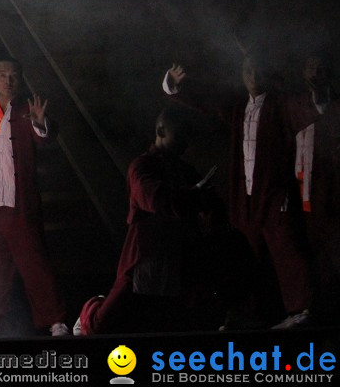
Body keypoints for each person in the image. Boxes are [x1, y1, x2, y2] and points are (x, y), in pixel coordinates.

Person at [164, 55, 314, 329]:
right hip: (245, 196)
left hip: (273, 192)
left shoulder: (278, 103)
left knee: (285, 248)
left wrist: (316, 87)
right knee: (244, 254)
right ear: (242, 76)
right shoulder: (238, 105)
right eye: (248, 70)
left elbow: (305, 108)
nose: (254, 75)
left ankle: (300, 309)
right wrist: (177, 86)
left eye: (258, 69)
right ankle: (247, 313)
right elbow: (207, 100)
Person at [76, 108, 222, 335]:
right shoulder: (142, 166)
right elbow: (153, 198)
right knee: (100, 325)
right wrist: (192, 196)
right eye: (179, 134)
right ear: (161, 130)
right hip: (145, 257)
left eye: (187, 135)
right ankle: (92, 307)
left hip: (174, 258)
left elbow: (210, 204)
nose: (184, 141)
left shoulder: (184, 169)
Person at [0, 58, 69, 339]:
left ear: (20, 80)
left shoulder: (27, 111)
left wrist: (42, 124)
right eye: (2, 76)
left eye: (13, 76)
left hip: (20, 203)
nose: (8, 81)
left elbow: (45, 135)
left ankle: (56, 320)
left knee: (35, 264)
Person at [291, 53, 340, 319]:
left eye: (322, 69)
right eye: (311, 69)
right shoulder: (295, 105)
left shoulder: (336, 106)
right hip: (303, 198)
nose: (316, 75)